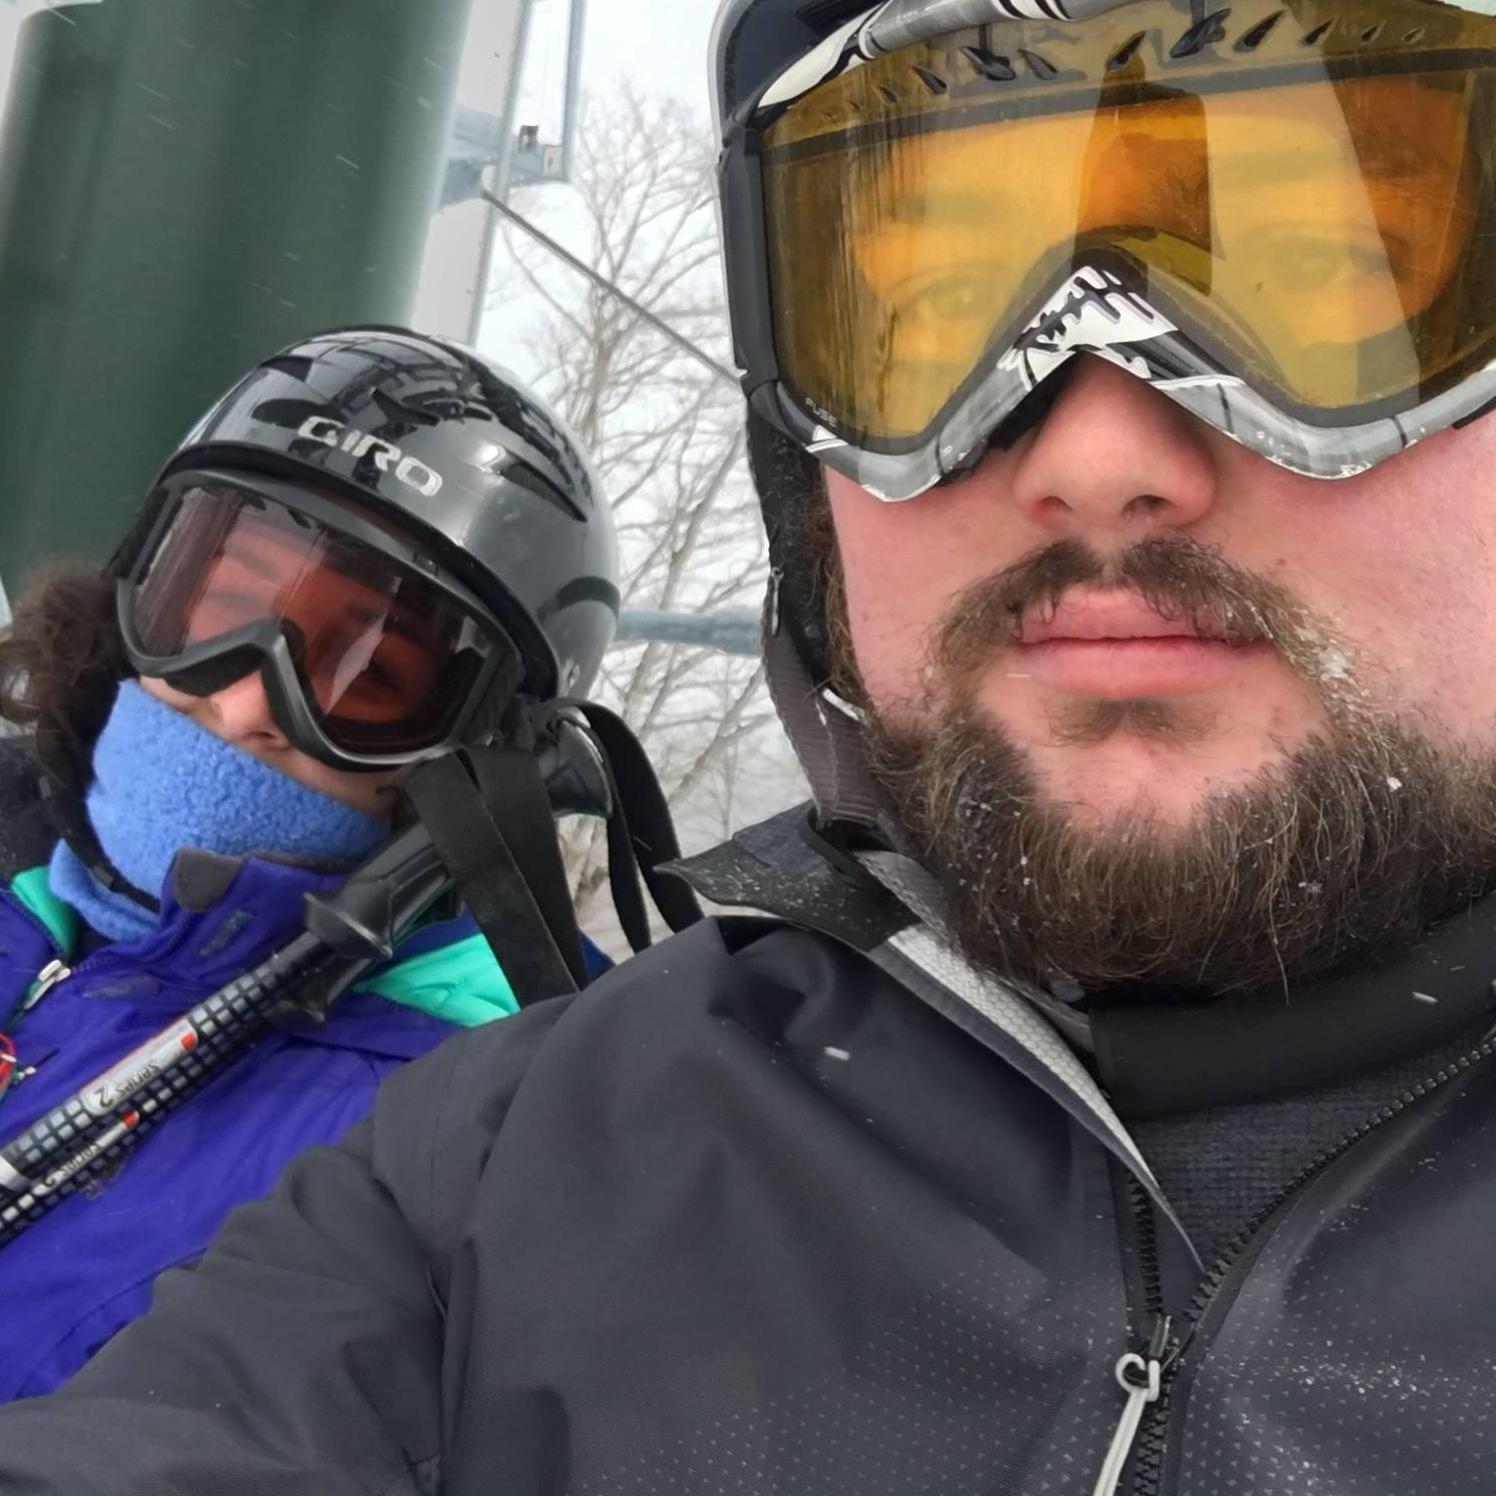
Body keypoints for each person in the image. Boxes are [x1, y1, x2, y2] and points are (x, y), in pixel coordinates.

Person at [5, 0, 1496, 1487]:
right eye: (941, 312)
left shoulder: (420, 1085)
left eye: (1323, 270)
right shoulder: (519, 1162)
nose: (1098, 457)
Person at [0, 324, 617, 1401]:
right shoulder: (20, 864)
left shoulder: (463, 1141)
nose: (241, 701)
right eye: (217, 607)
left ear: (475, 757)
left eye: (363, 671)